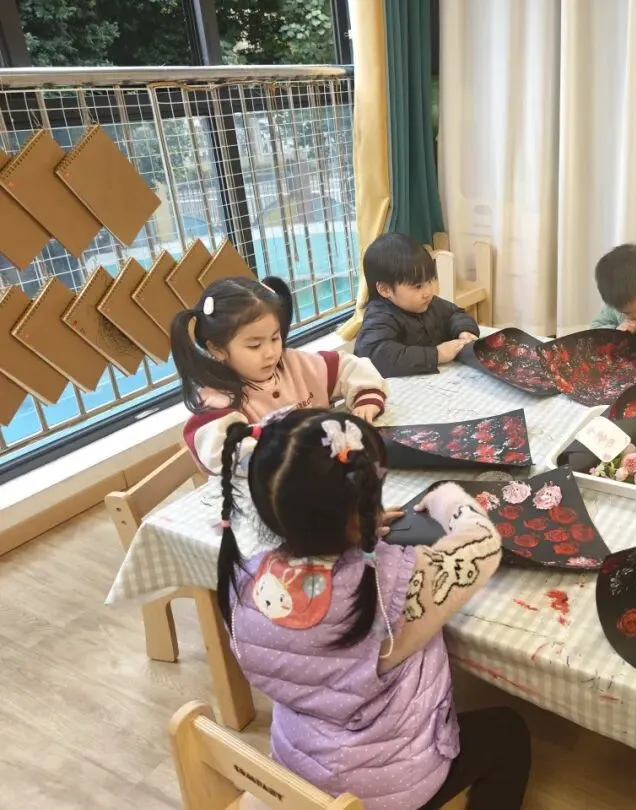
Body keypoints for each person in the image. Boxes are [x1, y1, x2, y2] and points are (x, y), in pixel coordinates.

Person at [216, 408, 532, 809]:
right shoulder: (390, 588)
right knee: (508, 731)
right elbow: (482, 546)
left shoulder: (243, 580)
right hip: (387, 791)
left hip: (298, 768)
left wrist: (352, 532)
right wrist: (447, 499)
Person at [170, 275, 388, 475]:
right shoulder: (217, 402)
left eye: (275, 338)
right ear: (217, 349)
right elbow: (229, 454)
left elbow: (349, 367)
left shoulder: (294, 364)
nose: (270, 353)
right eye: (254, 345)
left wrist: (366, 398)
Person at [353, 232, 480, 377]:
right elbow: (375, 356)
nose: (428, 292)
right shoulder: (379, 317)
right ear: (385, 289)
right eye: (418, 286)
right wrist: (436, 355)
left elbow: (455, 314)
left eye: (429, 281)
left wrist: (464, 331)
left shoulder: (427, 303)